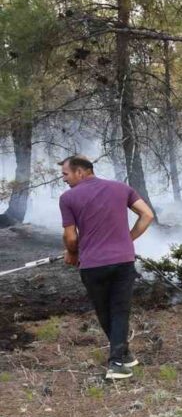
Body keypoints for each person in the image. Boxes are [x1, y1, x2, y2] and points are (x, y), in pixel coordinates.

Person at [59, 155, 155, 380]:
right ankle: (124, 355)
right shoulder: (122, 188)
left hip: (92, 264)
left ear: (80, 172)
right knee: (120, 311)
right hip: (123, 261)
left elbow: (70, 237)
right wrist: (127, 240)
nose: (63, 179)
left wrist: (72, 253)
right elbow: (147, 215)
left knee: (105, 311)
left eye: (65, 174)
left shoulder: (68, 198)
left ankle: (116, 363)